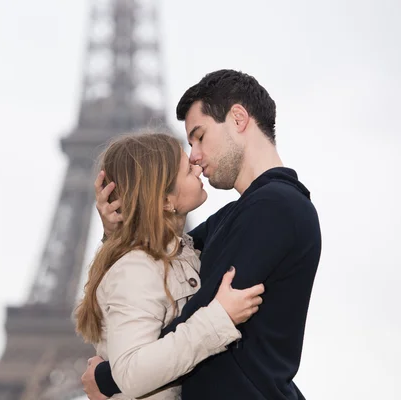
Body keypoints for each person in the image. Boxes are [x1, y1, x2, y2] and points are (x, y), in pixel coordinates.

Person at [82, 69, 322, 400]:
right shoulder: (240, 215)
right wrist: (118, 232)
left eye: (199, 136)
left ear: (238, 119)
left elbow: (202, 313)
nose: (194, 156)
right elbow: (162, 258)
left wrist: (109, 377)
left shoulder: (276, 206)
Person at [74, 133, 265, 400]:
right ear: (165, 200)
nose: (197, 167)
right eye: (188, 169)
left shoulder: (182, 253)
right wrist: (219, 318)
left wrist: (116, 236)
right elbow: (131, 373)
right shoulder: (136, 269)